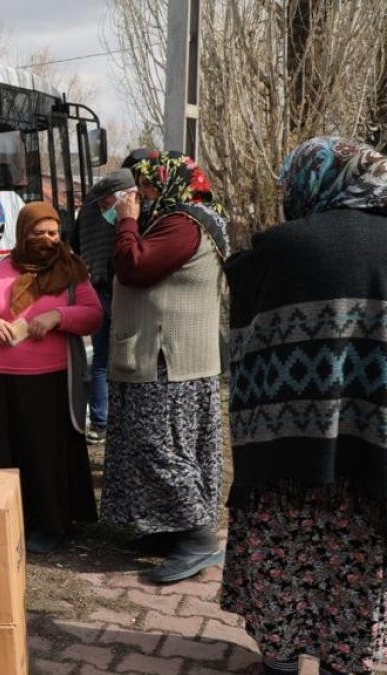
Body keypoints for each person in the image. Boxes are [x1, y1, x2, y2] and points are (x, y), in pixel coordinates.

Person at [221, 137, 387, 675]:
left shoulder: (285, 246)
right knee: (357, 559)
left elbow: (245, 328)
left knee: (285, 550)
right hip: (372, 453)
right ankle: (345, 658)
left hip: (286, 453)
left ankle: (281, 657)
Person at [98, 150, 230, 584]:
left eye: (147, 185)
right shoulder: (180, 218)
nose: (141, 195)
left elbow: (134, 267)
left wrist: (127, 221)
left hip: (167, 361)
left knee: (162, 448)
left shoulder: (183, 222)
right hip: (159, 357)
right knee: (154, 445)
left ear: (169, 181)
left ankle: (196, 539)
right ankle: (167, 528)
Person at [0, 201, 103, 554]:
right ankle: (4, 521)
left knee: (45, 456)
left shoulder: (72, 271)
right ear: (23, 234)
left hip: (50, 384)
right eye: (38, 233)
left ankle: (52, 524)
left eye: (53, 233)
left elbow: (93, 314)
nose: (47, 239)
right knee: (4, 456)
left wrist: (57, 316)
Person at [69, 168, 137, 445]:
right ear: (116, 196)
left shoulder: (85, 211)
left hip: (94, 288)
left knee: (100, 360)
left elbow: (74, 244)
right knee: (123, 358)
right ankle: (118, 422)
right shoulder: (119, 216)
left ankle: (99, 423)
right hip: (115, 289)